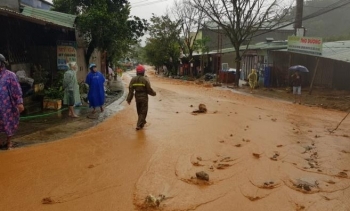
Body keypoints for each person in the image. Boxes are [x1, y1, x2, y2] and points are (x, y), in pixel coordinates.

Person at [0, 54, 24, 150]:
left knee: (9, 123)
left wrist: (20, 102)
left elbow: (16, 89)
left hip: (7, 106)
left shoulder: (10, 75)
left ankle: (9, 141)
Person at [127, 65, 156, 130]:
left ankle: (142, 122)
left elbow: (130, 90)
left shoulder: (133, 79)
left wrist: (129, 99)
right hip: (144, 98)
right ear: (143, 72)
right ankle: (139, 125)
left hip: (137, 97)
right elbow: (149, 90)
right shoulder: (145, 79)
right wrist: (154, 94)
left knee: (139, 110)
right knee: (143, 111)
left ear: (137, 72)